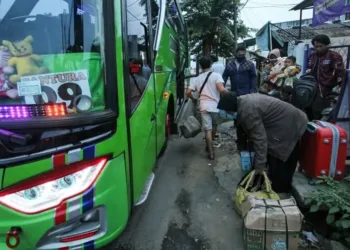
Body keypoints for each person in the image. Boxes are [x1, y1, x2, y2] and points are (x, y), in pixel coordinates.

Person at [217, 92, 308, 192]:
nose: (226, 113)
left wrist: (259, 166)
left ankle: (280, 187)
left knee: (280, 152)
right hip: (284, 119)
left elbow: (260, 139)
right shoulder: (242, 101)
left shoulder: (248, 112)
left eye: (226, 111)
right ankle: (273, 180)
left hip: (291, 122)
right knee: (272, 150)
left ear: (231, 107)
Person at [186, 56, 228, 160]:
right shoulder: (217, 76)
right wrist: (230, 94)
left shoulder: (197, 78)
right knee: (214, 127)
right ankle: (210, 145)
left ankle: (211, 152)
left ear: (200, 66)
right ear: (211, 65)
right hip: (215, 106)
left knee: (207, 129)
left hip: (204, 106)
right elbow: (221, 89)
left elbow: (187, 92)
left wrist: (193, 98)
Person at [222, 46, 257, 151]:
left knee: (247, 116)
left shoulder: (249, 64)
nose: (241, 56)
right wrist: (222, 89)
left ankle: (248, 138)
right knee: (237, 118)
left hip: (246, 94)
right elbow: (224, 77)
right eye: (239, 54)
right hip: (235, 94)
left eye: (243, 54)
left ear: (245, 54)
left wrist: (252, 91)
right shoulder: (230, 65)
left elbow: (254, 77)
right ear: (235, 53)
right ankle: (240, 141)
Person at [306, 34, 345, 120]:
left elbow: (340, 73)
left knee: (319, 112)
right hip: (311, 88)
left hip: (326, 90)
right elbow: (308, 70)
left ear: (327, 45)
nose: (318, 48)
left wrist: (340, 87)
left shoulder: (334, 56)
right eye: (316, 46)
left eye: (321, 46)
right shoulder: (311, 56)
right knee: (307, 110)